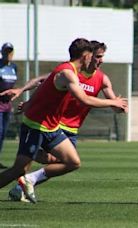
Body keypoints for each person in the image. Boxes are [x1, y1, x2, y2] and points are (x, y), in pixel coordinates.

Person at [0, 38, 128, 203]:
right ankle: (27, 172)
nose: (98, 60)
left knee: (73, 162)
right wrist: (112, 102)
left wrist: (117, 105)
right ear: (85, 56)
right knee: (19, 170)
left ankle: (29, 178)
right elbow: (83, 99)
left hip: (52, 128)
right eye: (95, 56)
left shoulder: (82, 74)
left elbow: (44, 88)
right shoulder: (66, 72)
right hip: (36, 126)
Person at [0, 42, 18, 169]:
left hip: (7, 105)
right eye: (6, 52)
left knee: (3, 133)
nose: (8, 54)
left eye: (10, 52)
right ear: (2, 52)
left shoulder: (13, 67)